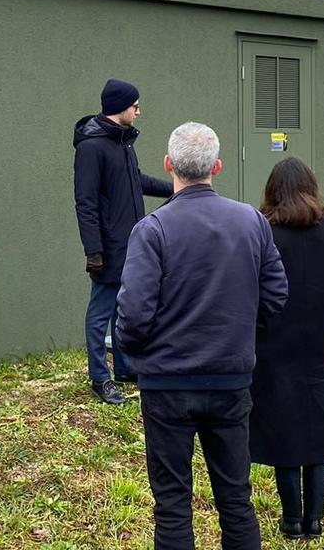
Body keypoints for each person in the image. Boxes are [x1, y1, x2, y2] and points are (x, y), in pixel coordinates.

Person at [116, 122, 288, 550]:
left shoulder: (152, 229)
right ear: (217, 166)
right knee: (235, 497)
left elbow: (133, 315)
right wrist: (240, 336)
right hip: (230, 381)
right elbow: (276, 294)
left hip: (167, 384)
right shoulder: (250, 221)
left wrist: (140, 355)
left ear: (169, 165)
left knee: (172, 502)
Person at [248, 157, 324, 539]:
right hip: (317, 346)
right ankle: (316, 520)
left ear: (273, 190)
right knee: (318, 431)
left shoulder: (264, 231)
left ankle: (291, 520)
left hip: (272, 348)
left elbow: (255, 292)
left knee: (283, 431)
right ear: (311, 186)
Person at [73, 78, 173, 404]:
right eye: (135, 106)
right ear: (121, 107)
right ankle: (99, 378)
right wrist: (94, 251)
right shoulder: (92, 147)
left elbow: (136, 180)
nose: (139, 111)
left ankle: (126, 368)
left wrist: (175, 187)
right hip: (109, 247)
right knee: (100, 313)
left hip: (132, 243)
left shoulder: (123, 143)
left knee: (124, 307)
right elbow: (85, 202)